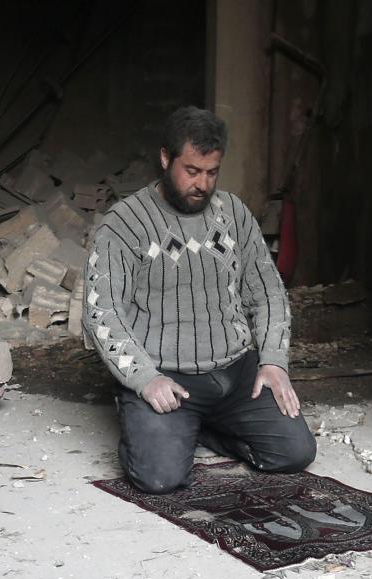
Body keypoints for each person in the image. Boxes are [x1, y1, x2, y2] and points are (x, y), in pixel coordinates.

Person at [82, 106, 316, 494]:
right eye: (191, 171)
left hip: (236, 371)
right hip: (166, 375)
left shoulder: (235, 213)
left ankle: (200, 431)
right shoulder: (123, 224)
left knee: (294, 453)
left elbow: (268, 290)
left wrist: (273, 361)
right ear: (164, 158)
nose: (202, 184)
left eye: (211, 173)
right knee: (159, 478)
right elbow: (101, 312)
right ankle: (156, 429)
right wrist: (144, 379)